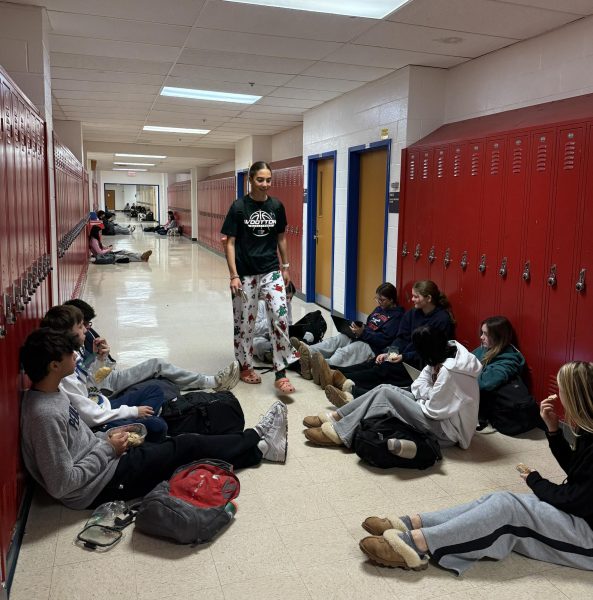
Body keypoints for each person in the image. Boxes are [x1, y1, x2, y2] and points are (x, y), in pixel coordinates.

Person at [357, 361, 593, 574]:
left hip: (588, 536)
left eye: (561, 391)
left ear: (575, 397)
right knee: (499, 499)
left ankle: (416, 544)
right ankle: (413, 523)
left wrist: (535, 480)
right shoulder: (588, 431)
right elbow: (578, 473)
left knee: (508, 509)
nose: (558, 396)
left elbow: (572, 498)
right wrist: (553, 431)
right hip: (582, 513)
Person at [19, 328, 289, 510]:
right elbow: (62, 484)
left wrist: (106, 439)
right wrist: (107, 448)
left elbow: (80, 442)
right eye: (70, 354)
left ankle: (260, 450)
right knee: (185, 446)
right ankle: (256, 435)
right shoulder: (44, 415)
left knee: (179, 455)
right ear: (54, 365)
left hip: (106, 460)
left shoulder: (53, 394)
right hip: (99, 486)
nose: (76, 356)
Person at [302, 326, 481, 452]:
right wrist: (429, 393)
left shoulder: (449, 371)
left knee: (387, 394)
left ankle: (340, 433)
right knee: (384, 388)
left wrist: (426, 393)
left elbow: (434, 411)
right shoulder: (442, 353)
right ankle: (337, 416)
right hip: (436, 413)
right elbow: (417, 385)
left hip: (447, 431)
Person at [41, 305, 240, 397]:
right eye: (83, 326)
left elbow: (98, 372)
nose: (87, 330)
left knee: (159, 371)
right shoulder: (68, 360)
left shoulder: (76, 348)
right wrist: (100, 361)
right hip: (107, 388)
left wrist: (101, 358)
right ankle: (212, 382)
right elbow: (93, 383)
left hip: (107, 379)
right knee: (157, 366)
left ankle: (203, 381)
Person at [221, 160, 299, 394]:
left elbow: (282, 237)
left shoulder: (276, 206)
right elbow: (230, 243)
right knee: (245, 322)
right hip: (245, 273)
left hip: (271, 270)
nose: (265, 184)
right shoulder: (239, 207)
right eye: (260, 180)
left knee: (281, 318)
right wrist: (233, 275)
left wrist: (285, 266)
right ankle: (245, 365)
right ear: (251, 180)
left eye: (268, 180)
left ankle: (281, 371)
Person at [323, 280, 455, 406]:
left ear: (428, 298)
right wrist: (390, 352)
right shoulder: (413, 314)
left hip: (419, 364)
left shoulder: (441, 320)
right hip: (402, 356)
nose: (412, 299)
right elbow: (401, 338)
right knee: (375, 361)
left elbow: (431, 352)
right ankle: (334, 372)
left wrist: (403, 357)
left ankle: (340, 380)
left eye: (416, 296)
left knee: (384, 369)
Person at [472, 316, 526, 433]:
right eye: (482, 333)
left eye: (486, 334)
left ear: (498, 337)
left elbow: (484, 383)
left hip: (490, 405)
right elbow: (466, 360)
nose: (481, 337)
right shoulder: (485, 349)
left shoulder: (508, 360)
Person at [253, 281, 296, 362]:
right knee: (259, 345)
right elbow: (255, 329)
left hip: (278, 336)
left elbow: (290, 323)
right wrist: (273, 320)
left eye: (291, 298)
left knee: (291, 340)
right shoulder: (261, 304)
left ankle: (277, 352)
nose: (288, 301)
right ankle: (276, 352)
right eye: (286, 297)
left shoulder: (287, 305)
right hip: (260, 337)